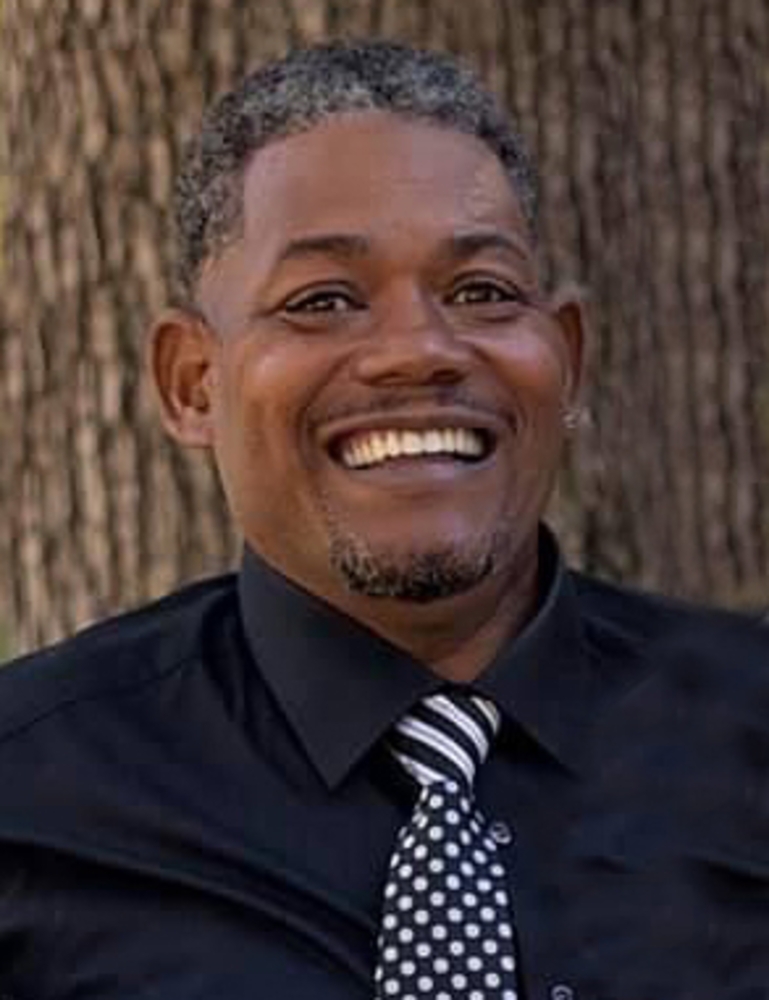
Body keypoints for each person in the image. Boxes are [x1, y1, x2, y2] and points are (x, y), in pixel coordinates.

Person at [0, 39, 767, 1000]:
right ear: (192, 382)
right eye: (323, 300)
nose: (417, 351)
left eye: (480, 292)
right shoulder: (29, 796)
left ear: (565, 361)